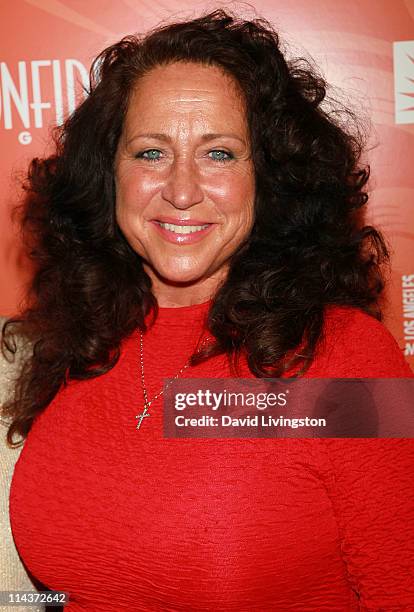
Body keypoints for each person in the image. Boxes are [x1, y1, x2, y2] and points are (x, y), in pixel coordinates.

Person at [1, 8, 413, 611]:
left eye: (219, 153)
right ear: (108, 173)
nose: (183, 189)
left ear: (268, 177)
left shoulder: (347, 360)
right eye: (150, 153)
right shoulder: (75, 344)